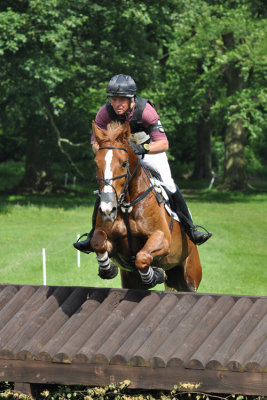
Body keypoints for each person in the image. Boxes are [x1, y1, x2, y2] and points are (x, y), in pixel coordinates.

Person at [74, 74, 211, 253]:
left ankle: (190, 228)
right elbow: (95, 144)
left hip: (149, 152)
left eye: (122, 99)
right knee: (107, 186)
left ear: (132, 99)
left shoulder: (145, 111)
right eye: (114, 99)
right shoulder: (104, 113)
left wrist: (142, 149)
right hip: (119, 157)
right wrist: (109, 152)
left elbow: (163, 144)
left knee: (168, 183)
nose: (117, 104)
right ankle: (93, 233)